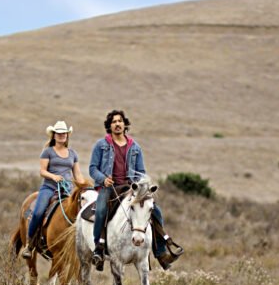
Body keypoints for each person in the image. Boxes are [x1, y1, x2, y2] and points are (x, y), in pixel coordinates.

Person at [88, 109, 183, 271]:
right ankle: (98, 249)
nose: (117, 124)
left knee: (156, 211)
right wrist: (103, 179)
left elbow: (141, 172)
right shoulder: (101, 145)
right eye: (114, 122)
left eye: (120, 121)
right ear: (109, 126)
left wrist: (142, 186)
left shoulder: (135, 147)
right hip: (109, 187)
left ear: (125, 125)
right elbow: (92, 168)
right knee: (101, 209)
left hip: (130, 188)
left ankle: (160, 252)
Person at [22, 120, 85, 259]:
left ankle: (88, 247)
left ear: (67, 135)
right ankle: (30, 244)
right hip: (49, 188)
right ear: (54, 135)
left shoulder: (73, 153)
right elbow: (42, 171)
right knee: (38, 212)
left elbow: (77, 174)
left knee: (83, 212)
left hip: (67, 190)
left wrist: (84, 186)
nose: (62, 135)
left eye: (64, 133)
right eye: (59, 133)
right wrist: (54, 177)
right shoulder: (48, 152)